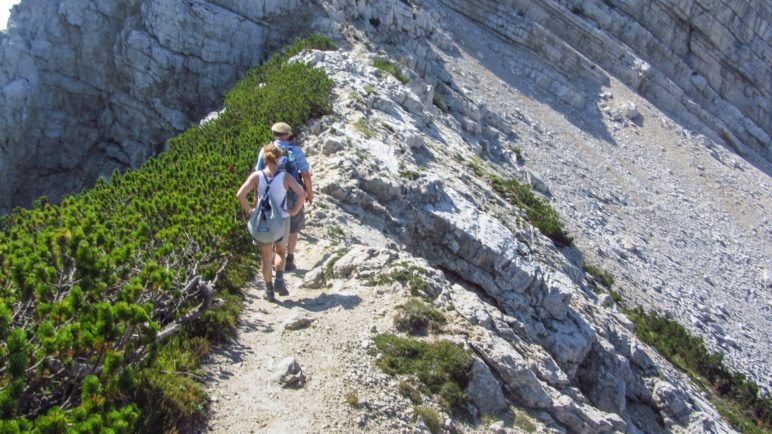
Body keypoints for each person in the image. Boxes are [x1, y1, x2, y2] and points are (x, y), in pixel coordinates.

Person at [238, 143, 306, 301]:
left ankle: (269, 291)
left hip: (263, 221)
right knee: (281, 251)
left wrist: (250, 210)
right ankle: (280, 280)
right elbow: (302, 194)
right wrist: (294, 210)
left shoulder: (257, 176)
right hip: (282, 219)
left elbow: (240, 194)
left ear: (265, 158)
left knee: (266, 257)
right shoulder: (286, 177)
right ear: (279, 159)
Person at [255, 122, 313, 272]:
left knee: (274, 220)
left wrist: (256, 199)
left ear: (273, 134)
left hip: (272, 192)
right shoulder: (295, 151)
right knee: (294, 226)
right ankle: (290, 258)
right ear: (288, 135)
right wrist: (309, 194)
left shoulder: (265, 151)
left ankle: (275, 257)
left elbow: (258, 174)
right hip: (293, 191)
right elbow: (306, 175)